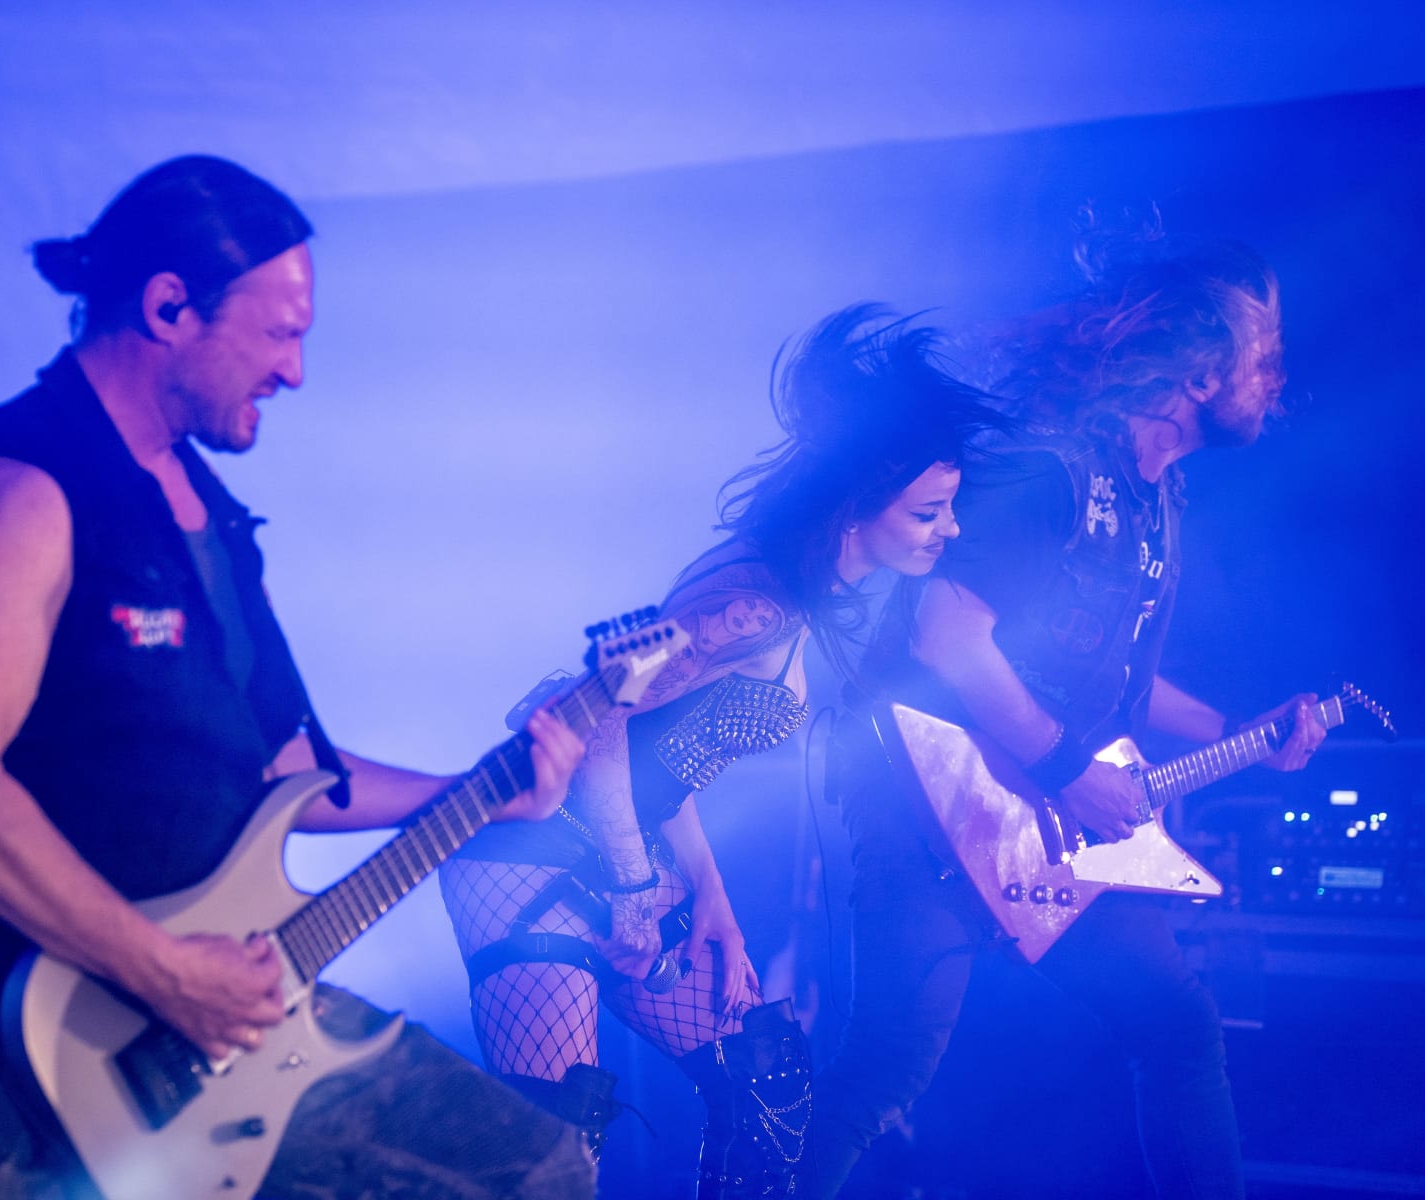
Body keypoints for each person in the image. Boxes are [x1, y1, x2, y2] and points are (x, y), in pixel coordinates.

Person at [0, 156, 596, 1200]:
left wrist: (480, 793)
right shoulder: (16, 489)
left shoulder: (212, 516)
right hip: (1, 1009)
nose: (295, 373)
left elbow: (278, 761)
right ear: (169, 308)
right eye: (282, 334)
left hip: (202, 1005)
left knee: (538, 1174)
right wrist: (162, 970)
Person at [799, 239, 1329, 1200]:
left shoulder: (1155, 497)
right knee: (882, 1074)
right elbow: (947, 634)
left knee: (1177, 1029)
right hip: (932, 811)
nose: (1277, 379)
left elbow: (1117, 684)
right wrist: (1064, 768)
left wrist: (1244, 732)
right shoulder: (1051, 471)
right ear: (1203, 369)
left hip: (1043, 815)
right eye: (1265, 356)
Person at [438, 306, 1005, 1197]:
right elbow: (604, 722)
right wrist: (632, 886)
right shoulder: (752, 602)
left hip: (620, 843)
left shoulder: (798, 601)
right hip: (529, 848)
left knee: (768, 1079)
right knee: (550, 1161)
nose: (951, 529)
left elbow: (672, 766)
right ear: (857, 510)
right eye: (930, 510)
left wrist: (714, 902)